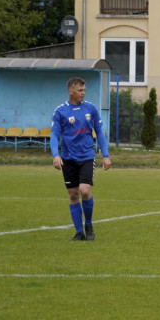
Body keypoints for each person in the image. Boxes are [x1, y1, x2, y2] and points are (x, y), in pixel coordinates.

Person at [50, 76, 112, 240]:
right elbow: (54, 135)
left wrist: (105, 155)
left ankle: (89, 224)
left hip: (86, 156)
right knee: (73, 195)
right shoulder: (60, 111)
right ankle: (79, 233)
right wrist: (55, 155)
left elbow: (99, 132)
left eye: (84, 90)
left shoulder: (90, 109)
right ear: (71, 91)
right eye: (80, 90)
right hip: (68, 158)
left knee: (84, 190)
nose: (83, 93)